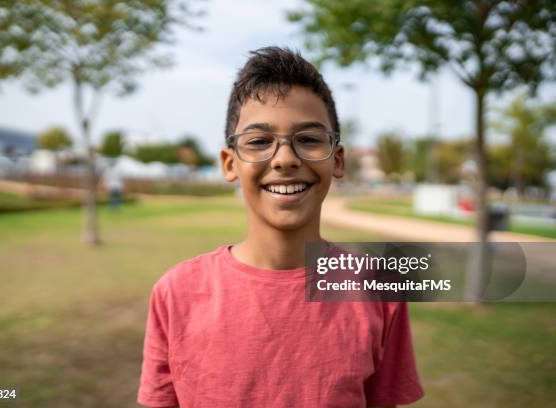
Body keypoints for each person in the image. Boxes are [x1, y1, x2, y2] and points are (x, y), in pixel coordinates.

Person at [137, 47, 424, 408]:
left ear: (337, 160)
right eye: (259, 141)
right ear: (230, 164)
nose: (285, 159)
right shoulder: (176, 293)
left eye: (308, 139)